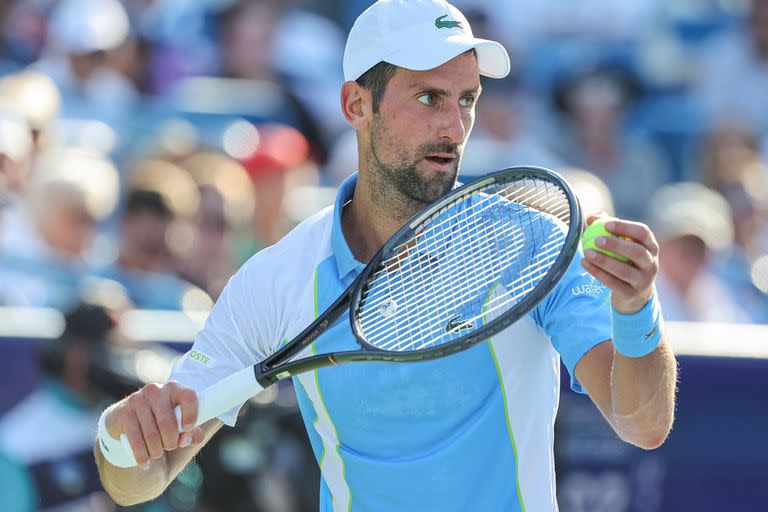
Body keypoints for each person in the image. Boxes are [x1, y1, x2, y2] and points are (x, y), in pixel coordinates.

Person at [94, 1, 677, 510]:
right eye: (429, 98)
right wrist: (122, 438)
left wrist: (636, 306)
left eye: (467, 99)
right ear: (355, 105)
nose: (454, 126)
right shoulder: (278, 279)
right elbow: (138, 482)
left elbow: (643, 423)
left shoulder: (532, 242)